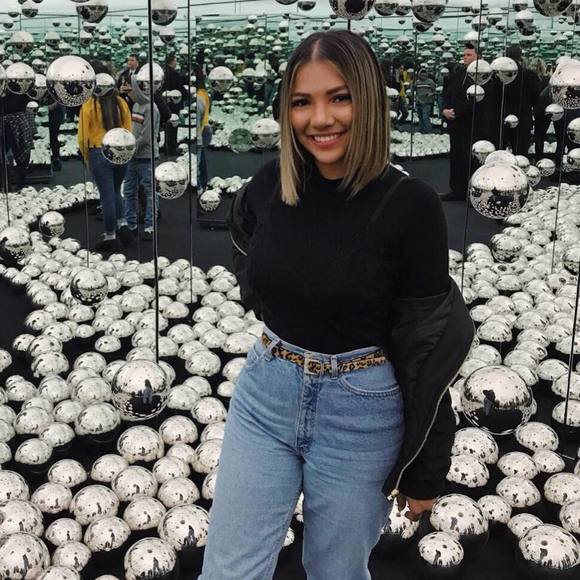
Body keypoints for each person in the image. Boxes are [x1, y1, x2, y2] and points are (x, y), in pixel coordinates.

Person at [201, 30, 474, 580]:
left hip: (361, 413)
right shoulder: (271, 183)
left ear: (368, 100)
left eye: (339, 97)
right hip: (265, 395)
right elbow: (245, 241)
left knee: (336, 571)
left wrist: (427, 465)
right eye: (302, 102)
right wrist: (268, 295)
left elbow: (424, 343)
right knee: (228, 572)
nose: (320, 118)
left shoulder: (410, 205)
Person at [78, 61, 133, 252]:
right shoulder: (121, 103)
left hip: (98, 152)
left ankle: (111, 236)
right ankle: (123, 225)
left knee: (107, 195)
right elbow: (128, 130)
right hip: (120, 151)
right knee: (116, 191)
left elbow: (83, 137)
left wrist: (86, 157)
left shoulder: (89, 104)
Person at [441, 43, 500, 201]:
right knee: (456, 158)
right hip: (456, 125)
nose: (465, 58)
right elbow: (447, 94)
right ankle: (457, 190)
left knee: (473, 159)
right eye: (464, 55)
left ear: (478, 57)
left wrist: (457, 112)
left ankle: (476, 192)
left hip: (476, 125)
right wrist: (445, 110)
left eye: (469, 55)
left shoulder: (485, 77)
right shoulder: (459, 74)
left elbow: (482, 101)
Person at [122, 73, 161, 242]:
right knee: (129, 191)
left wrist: (130, 148)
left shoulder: (151, 108)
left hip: (146, 157)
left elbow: (146, 136)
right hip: (133, 156)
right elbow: (134, 130)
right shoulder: (137, 105)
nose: (127, 92)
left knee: (150, 191)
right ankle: (131, 225)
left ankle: (150, 226)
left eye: (129, 89)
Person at [501, 45, 540, 155]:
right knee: (521, 154)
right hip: (523, 118)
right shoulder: (529, 75)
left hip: (502, 118)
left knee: (500, 154)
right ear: (520, 57)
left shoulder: (500, 76)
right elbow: (536, 97)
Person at [0, 92, 35, 190]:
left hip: (17, 118)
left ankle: (18, 184)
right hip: (11, 119)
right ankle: (9, 184)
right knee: (17, 153)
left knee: (22, 153)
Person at [162, 53, 186, 156]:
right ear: (172, 61)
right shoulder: (174, 74)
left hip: (165, 102)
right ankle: (171, 148)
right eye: (175, 60)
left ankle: (167, 146)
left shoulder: (164, 73)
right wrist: (187, 95)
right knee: (173, 125)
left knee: (167, 125)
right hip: (174, 102)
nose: (176, 63)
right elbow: (180, 88)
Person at [195, 63, 211, 192]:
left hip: (201, 129)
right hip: (204, 128)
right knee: (201, 162)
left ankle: (200, 186)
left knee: (198, 162)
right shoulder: (204, 93)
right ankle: (203, 185)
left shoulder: (198, 96)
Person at [415, 68, 435, 133]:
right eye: (422, 75)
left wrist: (431, 94)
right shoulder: (417, 82)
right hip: (419, 101)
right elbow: (414, 92)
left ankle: (428, 129)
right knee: (420, 116)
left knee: (425, 117)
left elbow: (434, 91)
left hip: (427, 102)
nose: (423, 77)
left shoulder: (430, 82)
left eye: (424, 75)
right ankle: (421, 129)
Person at [48, 97, 65, 172]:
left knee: (53, 137)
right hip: (49, 111)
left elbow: (61, 98)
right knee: (52, 137)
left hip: (55, 113)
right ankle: (55, 159)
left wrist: (53, 105)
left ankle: (56, 159)